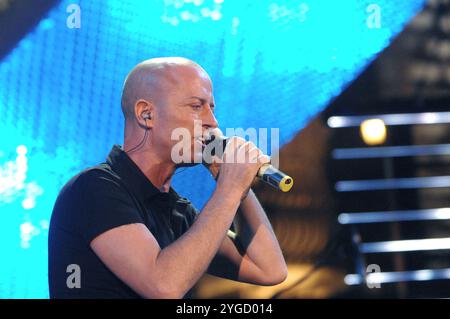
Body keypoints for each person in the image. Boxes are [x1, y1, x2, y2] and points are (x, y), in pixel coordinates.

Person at [48, 57, 287, 299]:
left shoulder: (177, 213)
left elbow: (269, 270)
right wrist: (230, 189)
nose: (212, 122)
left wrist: (238, 184)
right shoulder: (93, 189)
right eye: (196, 106)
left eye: (212, 108)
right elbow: (164, 286)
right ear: (146, 114)